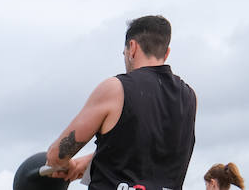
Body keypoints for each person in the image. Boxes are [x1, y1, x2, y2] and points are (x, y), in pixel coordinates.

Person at [44, 14, 197, 190]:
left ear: (132, 48)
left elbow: (57, 156)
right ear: (166, 52)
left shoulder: (116, 88)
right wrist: (87, 162)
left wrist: (65, 163)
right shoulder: (189, 96)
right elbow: (148, 151)